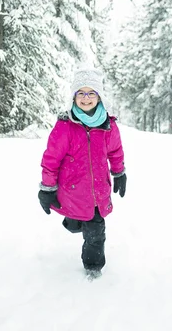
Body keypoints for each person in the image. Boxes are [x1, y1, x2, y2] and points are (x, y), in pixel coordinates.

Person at [38, 68, 127, 279]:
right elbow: (51, 159)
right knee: (76, 221)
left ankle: (93, 267)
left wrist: (119, 171)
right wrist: (47, 188)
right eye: (81, 93)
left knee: (96, 230)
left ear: (99, 96)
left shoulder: (108, 125)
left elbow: (115, 151)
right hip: (72, 189)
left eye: (91, 93)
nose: (86, 98)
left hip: (98, 189)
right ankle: (75, 221)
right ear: (74, 96)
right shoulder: (65, 126)